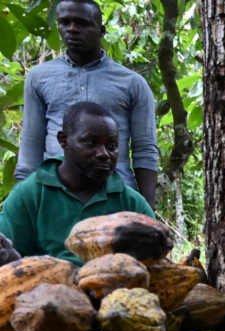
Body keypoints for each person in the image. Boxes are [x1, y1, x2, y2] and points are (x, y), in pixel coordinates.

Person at [16, 0, 157, 204]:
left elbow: (145, 149)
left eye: (82, 23)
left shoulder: (133, 83)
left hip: (114, 194)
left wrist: (146, 209)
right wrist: (23, 200)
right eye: (65, 22)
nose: (72, 29)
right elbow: (31, 142)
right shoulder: (39, 77)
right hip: (53, 194)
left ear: (101, 30)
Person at [0, 101, 154, 268]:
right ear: (63, 140)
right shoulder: (30, 194)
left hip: (117, 291)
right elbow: (9, 260)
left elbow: (156, 264)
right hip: (45, 290)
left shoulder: (132, 204)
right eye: (90, 142)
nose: (103, 154)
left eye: (112, 146)